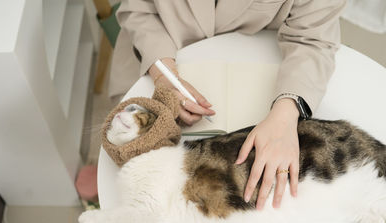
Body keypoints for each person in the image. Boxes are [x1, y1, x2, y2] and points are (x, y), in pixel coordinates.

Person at [108, 0, 346, 210]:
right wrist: (163, 76)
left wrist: (286, 113)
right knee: (126, 178)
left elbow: (313, 37)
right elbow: (137, 9)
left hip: (263, 62)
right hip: (152, 55)